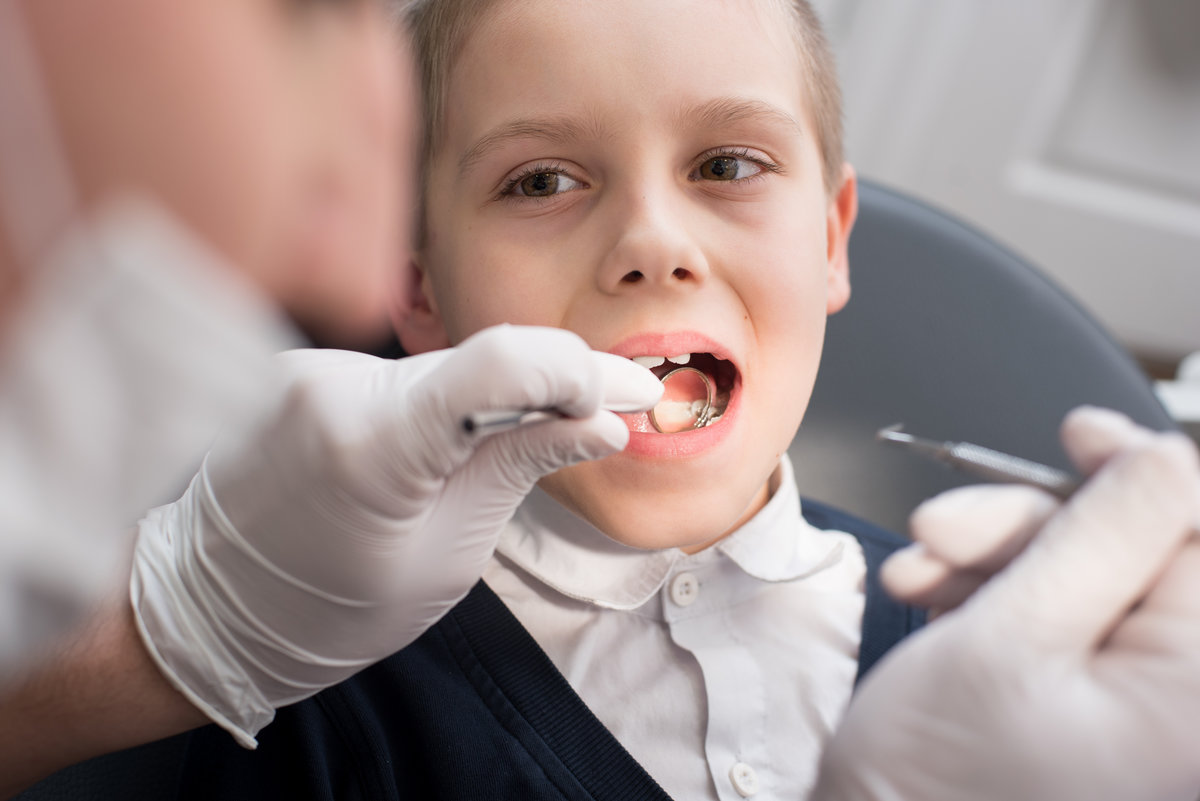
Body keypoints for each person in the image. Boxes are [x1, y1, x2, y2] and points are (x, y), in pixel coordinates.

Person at [7, 2, 1200, 801]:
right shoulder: (303, 689)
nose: (650, 242)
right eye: (541, 180)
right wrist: (189, 633)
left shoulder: (1022, 655)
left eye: (728, 165)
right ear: (416, 292)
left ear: (833, 242)